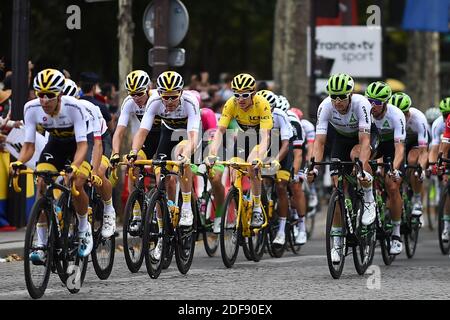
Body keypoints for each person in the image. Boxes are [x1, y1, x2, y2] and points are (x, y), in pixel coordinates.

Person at [10, 69, 93, 261]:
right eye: (40, 95)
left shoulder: (74, 107)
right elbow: (29, 146)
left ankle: (83, 228)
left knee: (78, 183)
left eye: (50, 96)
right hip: (55, 145)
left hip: (78, 146)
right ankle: (41, 243)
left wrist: (74, 166)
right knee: (41, 182)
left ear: (60, 95)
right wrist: (19, 161)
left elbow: (82, 146)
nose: (44, 101)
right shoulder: (31, 108)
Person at [127, 71, 200, 260]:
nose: (168, 101)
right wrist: (134, 152)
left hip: (186, 136)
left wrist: (187, 154)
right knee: (162, 180)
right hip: (167, 134)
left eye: (173, 97)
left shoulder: (190, 102)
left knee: (182, 156)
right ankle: (160, 236)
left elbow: (193, 136)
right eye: (164, 96)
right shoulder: (154, 102)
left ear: (181, 92)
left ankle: (186, 208)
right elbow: (142, 131)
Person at [307, 73, 376, 264]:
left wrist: (361, 168)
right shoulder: (325, 107)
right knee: (337, 187)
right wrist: (314, 168)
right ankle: (337, 240)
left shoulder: (361, 104)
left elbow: (364, 140)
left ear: (350, 95)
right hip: (340, 139)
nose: (337, 101)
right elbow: (319, 143)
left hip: (362, 138)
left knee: (357, 157)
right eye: (333, 97)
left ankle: (368, 198)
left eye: (341, 97)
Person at [207, 73, 273, 228]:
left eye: (245, 95)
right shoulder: (231, 103)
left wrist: (259, 158)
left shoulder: (262, 104)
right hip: (244, 138)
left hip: (261, 139)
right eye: (237, 95)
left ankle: (256, 207)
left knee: (252, 166)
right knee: (234, 168)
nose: (241, 99)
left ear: (254, 94)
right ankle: (239, 213)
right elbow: (220, 131)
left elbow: (265, 137)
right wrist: (212, 153)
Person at [62, 79, 116, 238]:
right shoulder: (52, 111)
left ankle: (108, 209)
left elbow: (97, 145)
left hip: (98, 139)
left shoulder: (89, 109)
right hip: (76, 141)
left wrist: (92, 171)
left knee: (98, 172)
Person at [110, 70, 157, 232]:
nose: (136, 98)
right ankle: (137, 214)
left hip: (164, 137)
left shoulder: (158, 98)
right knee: (132, 165)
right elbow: (119, 131)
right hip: (145, 141)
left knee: (164, 174)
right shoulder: (129, 102)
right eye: (132, 94)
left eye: (139, 93)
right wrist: (115, 152)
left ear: (148, 88)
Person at [366, 81, 406, 254]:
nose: (372, 106)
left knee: (392, 185)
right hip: (374, 143)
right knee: (361, 169)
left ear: (385, 103)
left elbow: (399, 148)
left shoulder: (396, 115)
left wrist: (394, 169)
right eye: (370, 101)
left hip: (391, 146)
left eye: (377, 102)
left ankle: (396, 234)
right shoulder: (364, 112)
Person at [256, 90, 294, 246]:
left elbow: (286, 144)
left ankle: (281, 231)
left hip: (282, 151)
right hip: (265, 150)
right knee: (262, 182)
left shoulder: (280, 115)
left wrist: (277, 160)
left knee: (280, 186)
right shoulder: (253, 114)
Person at [389, 92, 429, 217]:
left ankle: (417, 198)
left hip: (414, 142)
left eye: (404, 114)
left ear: (408, 112)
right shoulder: (389, 116)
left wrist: (421, 168)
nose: (401, 117)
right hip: (397, 141)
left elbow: (423, 152)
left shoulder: (419, 119)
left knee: (412, 161)